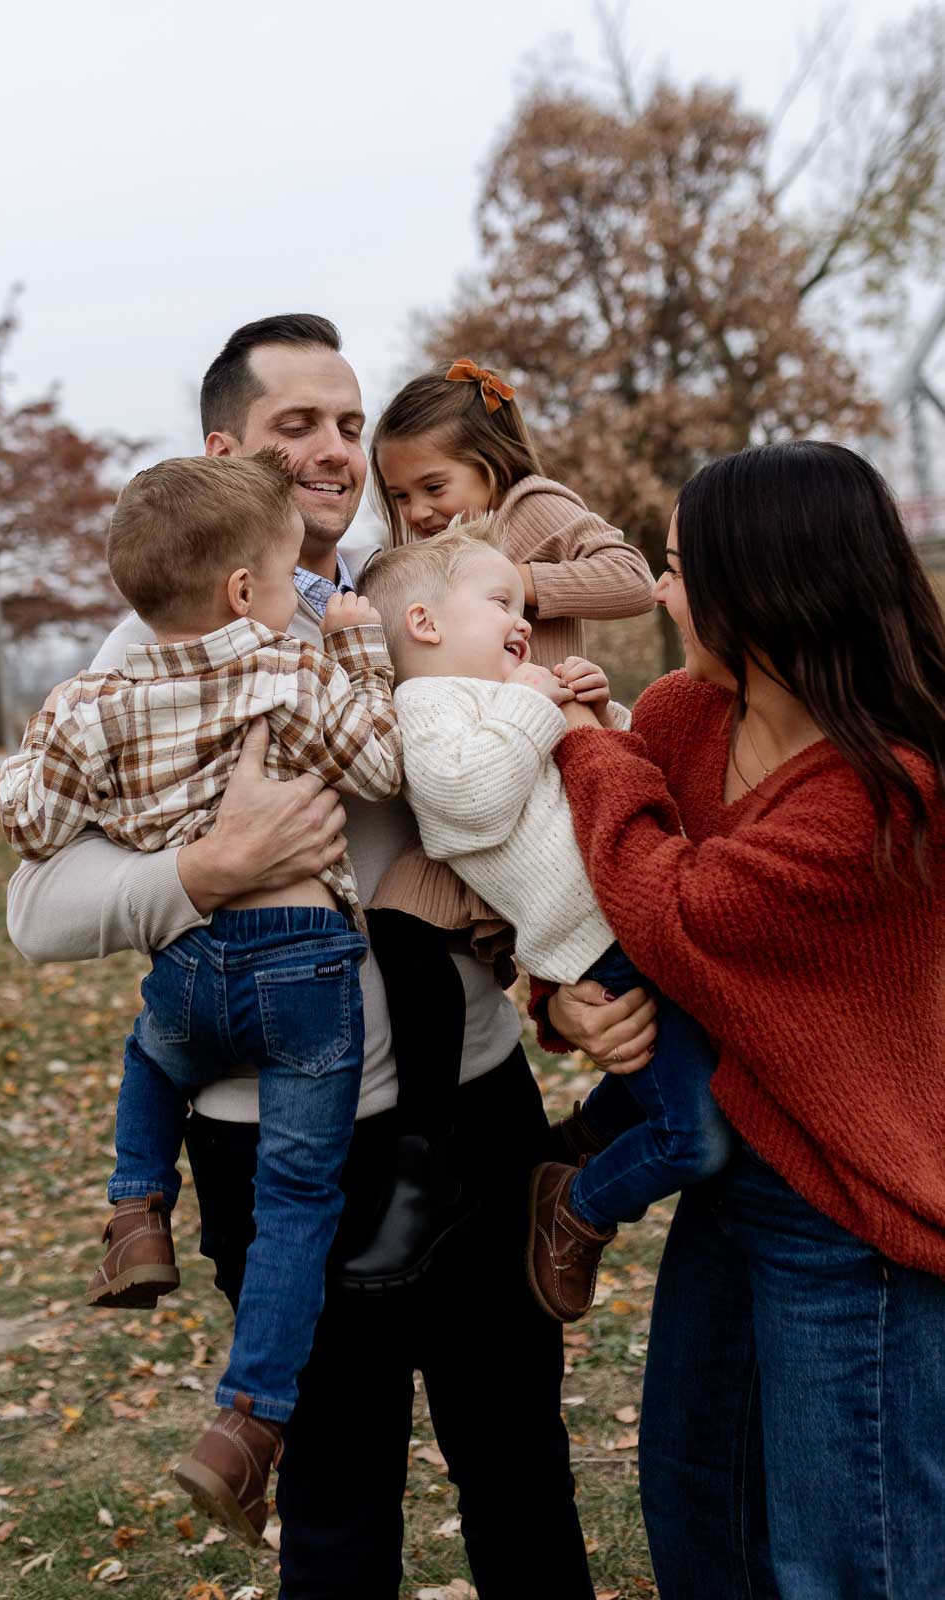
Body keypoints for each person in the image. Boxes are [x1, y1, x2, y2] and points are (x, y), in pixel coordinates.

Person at [5, 315, 596, 1598]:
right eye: (297, 426)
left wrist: (559, 983)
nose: (334, 450)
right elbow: (32, 905)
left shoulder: (413, 596)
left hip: (472, 1106)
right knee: (334, 1499)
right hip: (280, 1141)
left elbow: (508, 806)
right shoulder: (151, 648)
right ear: (224, 452)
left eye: (347, 423)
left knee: (519, 1467)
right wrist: (202, 871)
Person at [528, 441, 945, 1598]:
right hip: (726, 1173)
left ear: (762, 589)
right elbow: (596, 894)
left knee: (847, 1563)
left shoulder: (885, 791)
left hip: (848, 1212)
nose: (661, 595)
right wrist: (563, 1001)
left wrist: (585, 747)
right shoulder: (683, 714)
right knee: (696, 1511)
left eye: (675, 570)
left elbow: (680, 909)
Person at [0, 449, 404, 1544]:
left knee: (151, 1053)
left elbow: (30, 823)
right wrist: (357, 650)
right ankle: (248, 1422)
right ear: (243, 590)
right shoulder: (288, 668)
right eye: (285, 574)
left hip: (189, 963)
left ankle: (137, 1210)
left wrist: (56, 749)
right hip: (303, 969)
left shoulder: (93, 699)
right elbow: (381, 766)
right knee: (298, 1201)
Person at [356, 523, 732, 1317]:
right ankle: (577, 1206)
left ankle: (573, 1145)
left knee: (708, 1080)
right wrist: (533, 706)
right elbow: (467, 808)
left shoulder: (505, 697)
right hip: (597, 948)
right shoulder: (424, 707)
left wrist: (599, 711)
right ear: (425, 624)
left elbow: (608, 781)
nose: (520, 618)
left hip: (643, 917)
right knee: (693, 1139)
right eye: (499, 602)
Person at [338, 358, 657, 1286]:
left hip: (546, 778)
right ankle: (423, 1159)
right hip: (475, 781)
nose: (420, 512)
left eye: (434, 487)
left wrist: (513, 580)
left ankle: (591, 1142)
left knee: (608, 963)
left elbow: (630, 577)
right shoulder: (428, 564)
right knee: (399, 921)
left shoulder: (532, 509)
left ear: (490, 461)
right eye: (401, 497)